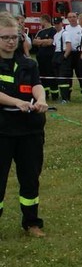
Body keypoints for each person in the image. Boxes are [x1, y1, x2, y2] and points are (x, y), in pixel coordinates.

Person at [0, 12, 48, 238]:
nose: (11, 42)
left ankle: (32, 222)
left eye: (14, 37)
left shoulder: (28, 63)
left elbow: (36, 85)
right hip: (2, 130)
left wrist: (41, 99)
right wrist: (16, 102)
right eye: (5, 37)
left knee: (30, 178)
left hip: (30, 131)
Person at [30, 14, 59, 103]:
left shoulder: (53, 30)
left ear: (45, 20)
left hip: (50, 57)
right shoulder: (40, 31)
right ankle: (45, 94)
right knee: (42, 75)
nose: (40, 22)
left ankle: (54, 95)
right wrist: (43, 42)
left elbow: (50, 42)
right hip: (41, 58)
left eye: (40, 20)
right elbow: (34, 42)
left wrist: (41, 42)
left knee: (51, 74)